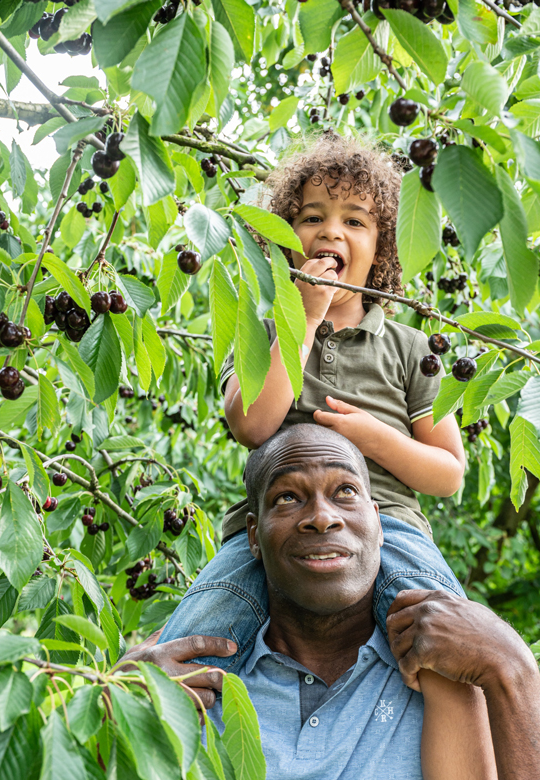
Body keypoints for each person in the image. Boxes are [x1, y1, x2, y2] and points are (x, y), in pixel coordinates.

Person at [158, 133, 466, 668]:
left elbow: (448, 474)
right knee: (196, 637)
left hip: (390, 524)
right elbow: (252, 425)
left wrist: (375, 438)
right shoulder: (262, 331)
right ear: (284, 242)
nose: (330, 231)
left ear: (382, 247)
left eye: (354, 221)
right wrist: (302, 320)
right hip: (272, 533)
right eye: (311, 218)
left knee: (448, 640)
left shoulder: (411, 347)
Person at [121, 426, 540, 779]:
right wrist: (118, 709)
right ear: (252, 535)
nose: (322, 517)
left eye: (345, 492)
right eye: (287, 497)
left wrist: (514, 670)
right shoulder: (183, 678)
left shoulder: (455, 677)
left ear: (379, 522)